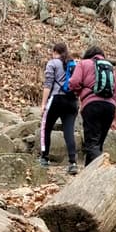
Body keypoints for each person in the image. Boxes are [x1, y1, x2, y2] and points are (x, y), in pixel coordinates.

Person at [69, 45, 116, 165]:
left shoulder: (83, 63)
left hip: (91, 105)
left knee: (92, 144)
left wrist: (79, 92)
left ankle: (104, 170)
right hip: (110, 107)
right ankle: (88, 176)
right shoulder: (111, 68)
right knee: (97, 144)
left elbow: (74, 82)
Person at [39, 42, 79, 174]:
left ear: (54, 51)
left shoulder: (52, 63)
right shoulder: (74, 63)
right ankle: (72, 162)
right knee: (69, 131)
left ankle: (44, 158)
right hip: (72, 101)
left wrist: (43, 104)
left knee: (46, 127)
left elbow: (48, 84)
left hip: (56, 99)